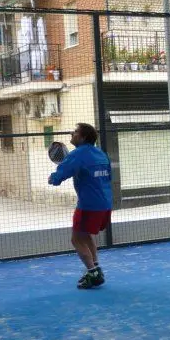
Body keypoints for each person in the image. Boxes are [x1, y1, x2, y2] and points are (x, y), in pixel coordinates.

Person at [49, 123, 113, 289]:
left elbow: (58, 177)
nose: (72, 133)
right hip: (105, 204)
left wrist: (53, 178)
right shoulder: (101, 153)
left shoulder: (77, 155)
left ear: (83, 137)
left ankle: (93, 274)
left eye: (75, 132)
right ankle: (96, 268)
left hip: (88, 206)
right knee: (86, 236)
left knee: (76, 239)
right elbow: (108, 177)